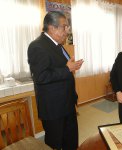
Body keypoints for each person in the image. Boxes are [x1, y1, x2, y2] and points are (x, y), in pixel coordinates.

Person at [28, 11, 83, 150]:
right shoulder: (37, 46)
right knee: (55, 143)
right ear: (52, 28)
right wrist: (67, 69)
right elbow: (41, 77)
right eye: (64, 27)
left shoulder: (58, 45)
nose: (67, 31)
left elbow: (61, 68)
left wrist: (71, 67)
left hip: (67, 103)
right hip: (53, 108)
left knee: (70, 140)